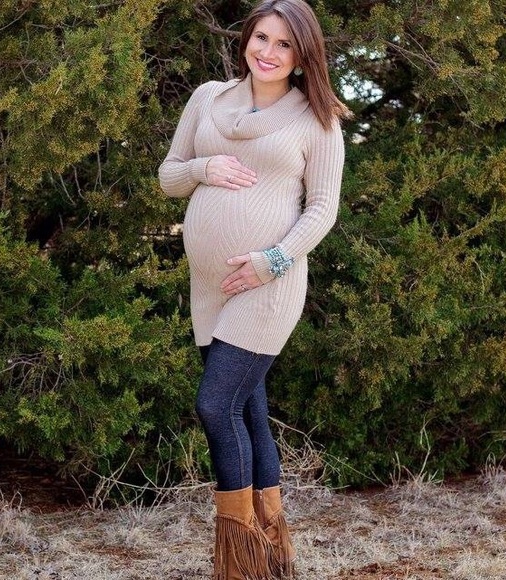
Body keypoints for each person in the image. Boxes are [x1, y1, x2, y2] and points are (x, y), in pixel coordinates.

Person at [159, 0, 350, 577]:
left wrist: (272, 261)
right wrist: (203, 169)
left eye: (285, 44)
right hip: (210, 286)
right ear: (246, 39)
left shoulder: (317, 119)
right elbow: (169, 175)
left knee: (215, 405)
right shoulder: (207, 99)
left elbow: (322, 209)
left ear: (303, 56)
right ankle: (272, 557)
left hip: (267, 283)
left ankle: (238, 560)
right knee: (248, 410)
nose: (268, 52)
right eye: (261, 37)